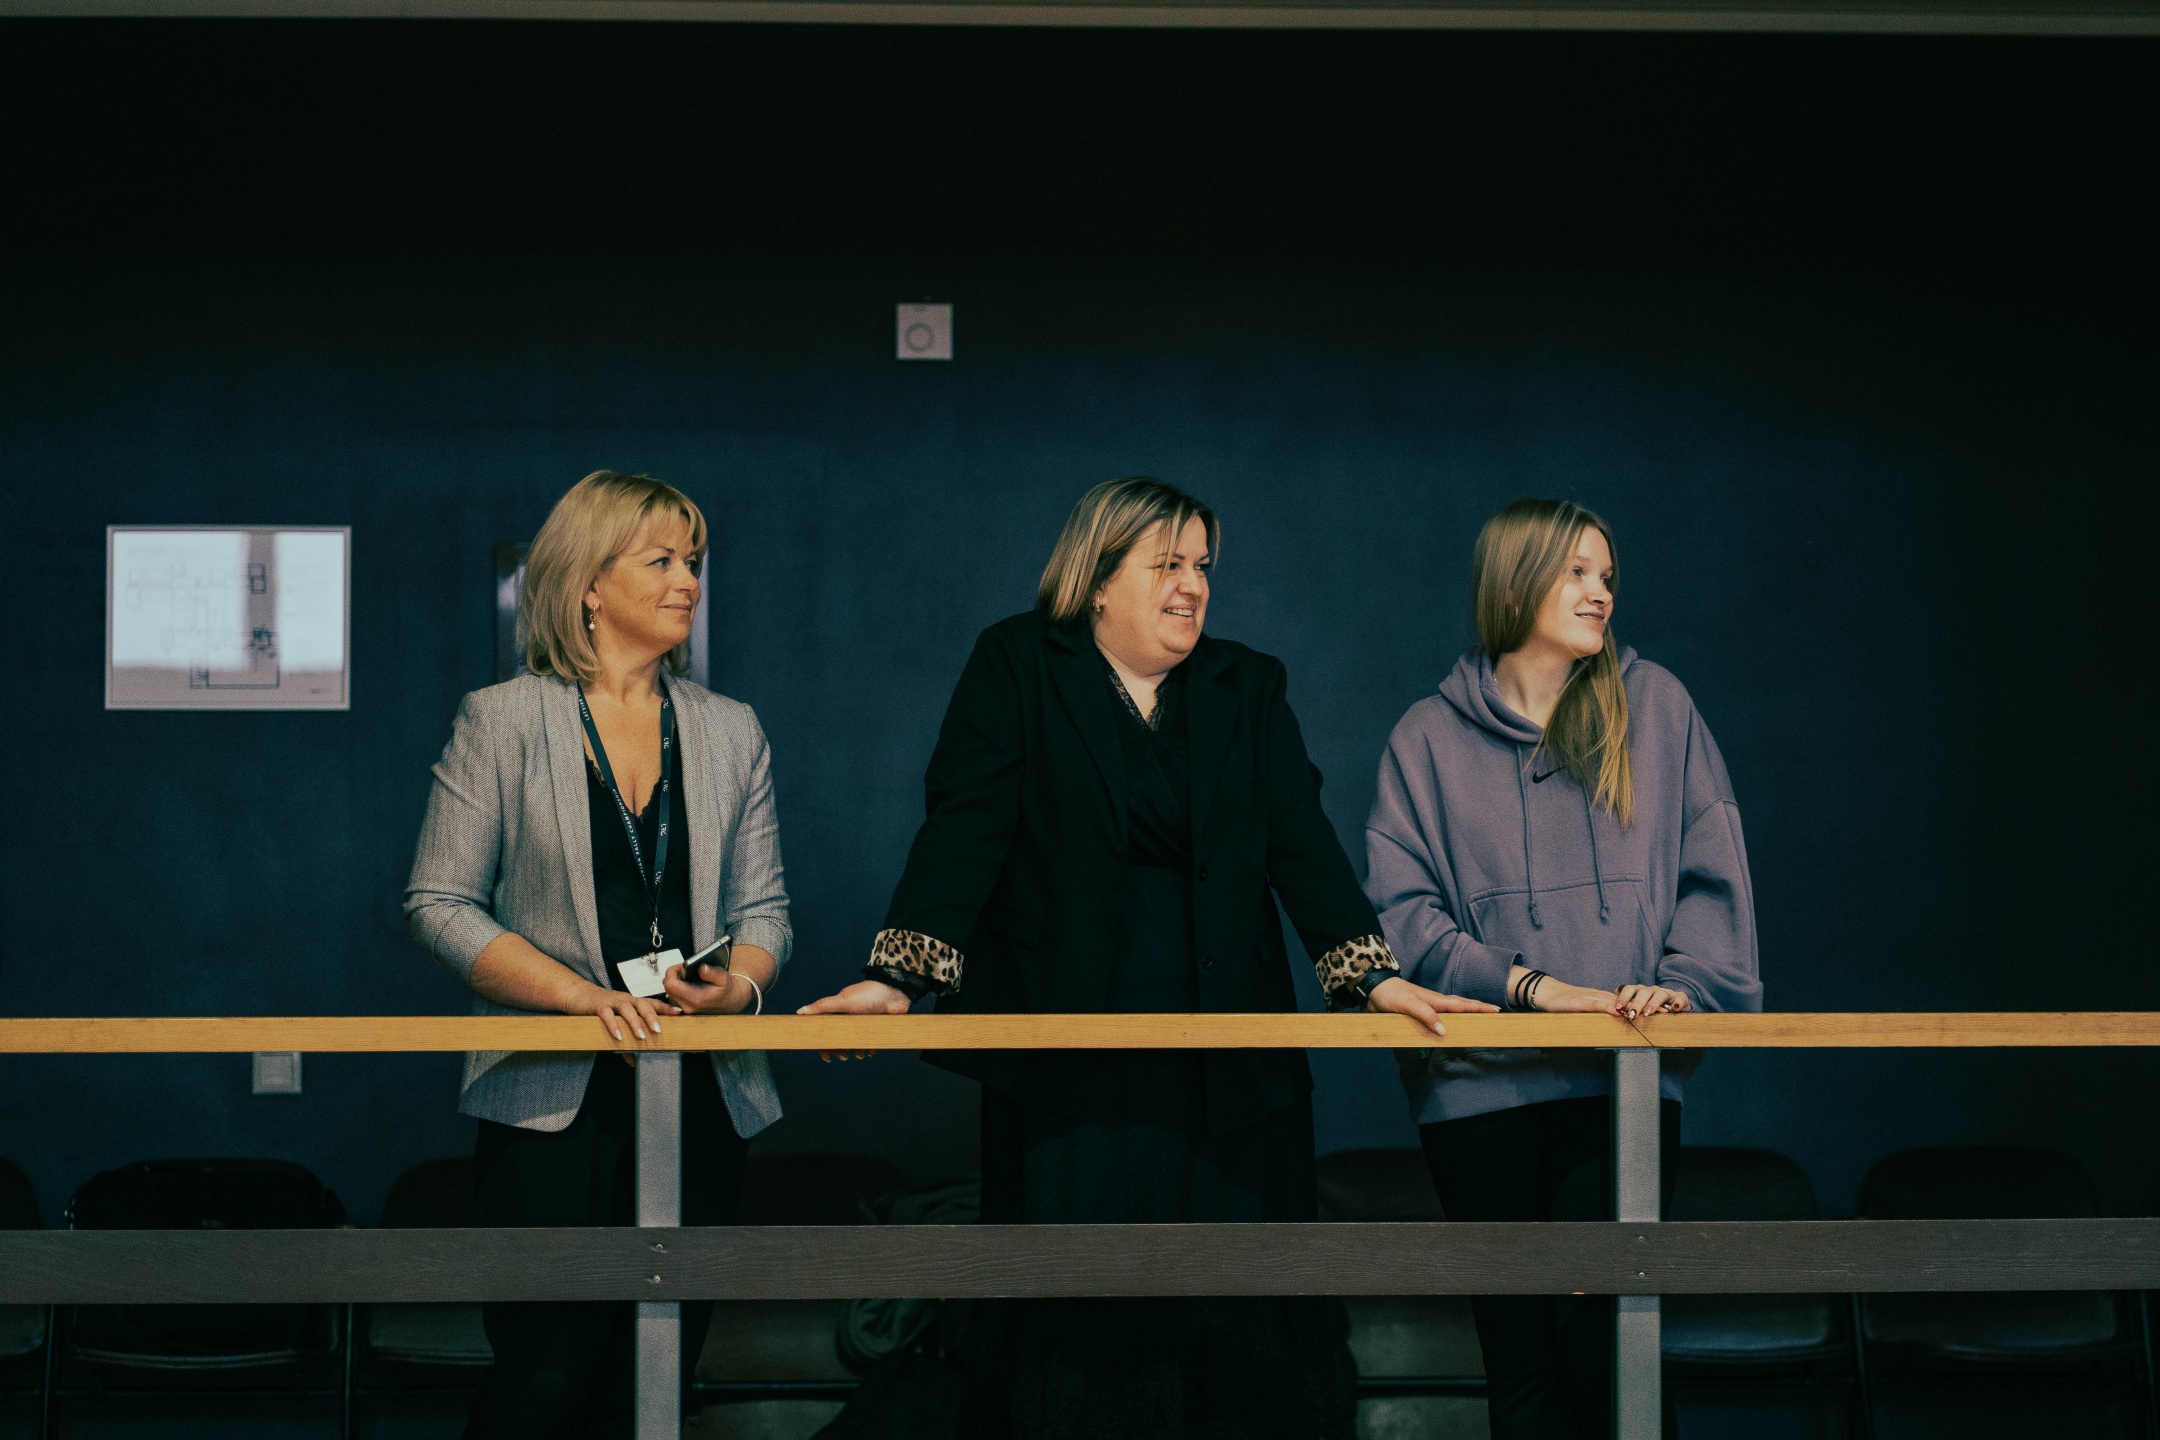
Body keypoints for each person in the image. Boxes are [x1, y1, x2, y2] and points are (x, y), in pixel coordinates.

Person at [801, 476, 1494, 1440]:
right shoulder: (1017, 664)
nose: (1193, 585)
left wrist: (1370, 977)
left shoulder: (1249, 684)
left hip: (1232, 1066)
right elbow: (965, 833)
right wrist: (896, 979)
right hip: (1071, 1070)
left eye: (1203, 566)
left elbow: (1301, 844)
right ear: (1096, 579)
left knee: (1240, 1318)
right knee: (1082, 1317)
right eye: (1167, 563)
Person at [405, 470, 792, 1440]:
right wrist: (581, 999)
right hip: (551, 1099)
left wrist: (740, 991)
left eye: (693, 562)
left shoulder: (732, 729)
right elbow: (439, 905)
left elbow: (767, 911)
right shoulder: (500, 719)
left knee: (658, 1380)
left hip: (702, 1092)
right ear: (587, 582)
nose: (688, 581)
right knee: (544, 1378)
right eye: (661, 561)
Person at [1364, 497, 1761, 1440]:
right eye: (1576, 571)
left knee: (1611, 1358)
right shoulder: (1425, 737)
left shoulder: (1655, 707)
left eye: (1607, 576)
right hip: (1477, 1090)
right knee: (1520, 1367)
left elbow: (1714, 871)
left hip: (1621, 1080)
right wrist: (1526, 987)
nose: (1599, 593)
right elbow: (1401, 916)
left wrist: (1686, 986)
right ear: (1516, 579)